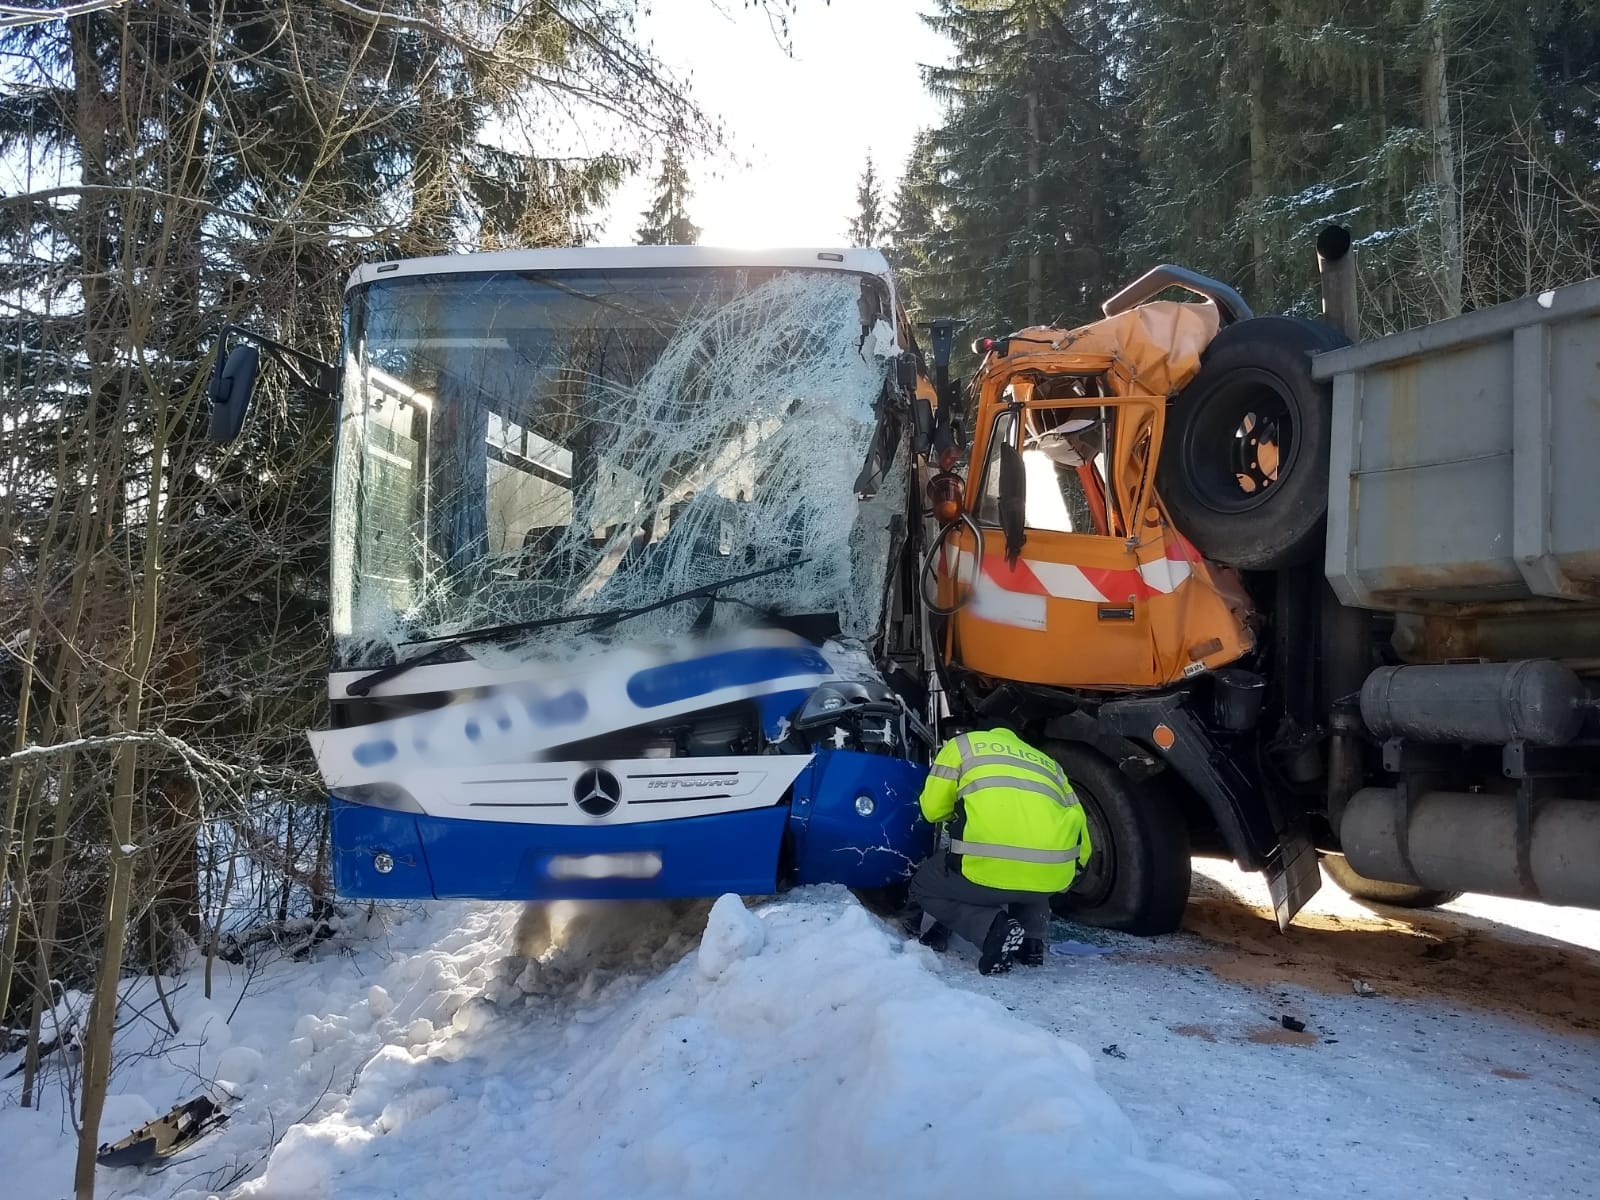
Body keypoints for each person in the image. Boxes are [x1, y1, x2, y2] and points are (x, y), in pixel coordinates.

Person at [907, 727, 1092, 975]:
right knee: (1033, 862)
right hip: (1051, 877)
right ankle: (1031, 941)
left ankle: (993, 929)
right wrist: (1075, 870)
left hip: (985, 873)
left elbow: (933, 810)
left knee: (924, 884)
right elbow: (1081, 830)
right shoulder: (1048, 763)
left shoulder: (962, 746)